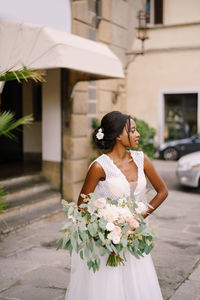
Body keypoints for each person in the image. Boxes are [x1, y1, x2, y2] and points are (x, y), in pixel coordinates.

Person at [65, 111, 168, 300]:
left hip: (134, 239)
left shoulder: (141, 159)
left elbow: (162, 192)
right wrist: (102, 236)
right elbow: (82, 206)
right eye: (133, 130)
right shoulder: (99, 166)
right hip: (108, 244)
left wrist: (137, 219)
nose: (138, 135)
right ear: (118, 136)